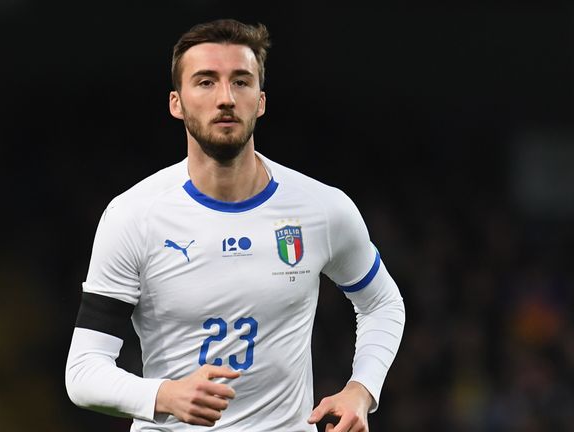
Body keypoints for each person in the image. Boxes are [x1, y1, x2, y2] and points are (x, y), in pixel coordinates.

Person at [65, 18, 405, 432]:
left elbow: (382, 303)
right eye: (206, 82)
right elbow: (83, 371)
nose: (225, 97)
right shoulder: (134, 216)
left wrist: (362, 388)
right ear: (177, 103)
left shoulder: (322, 208)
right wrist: (164, 396)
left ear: (260, 100)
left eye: (241, 82)